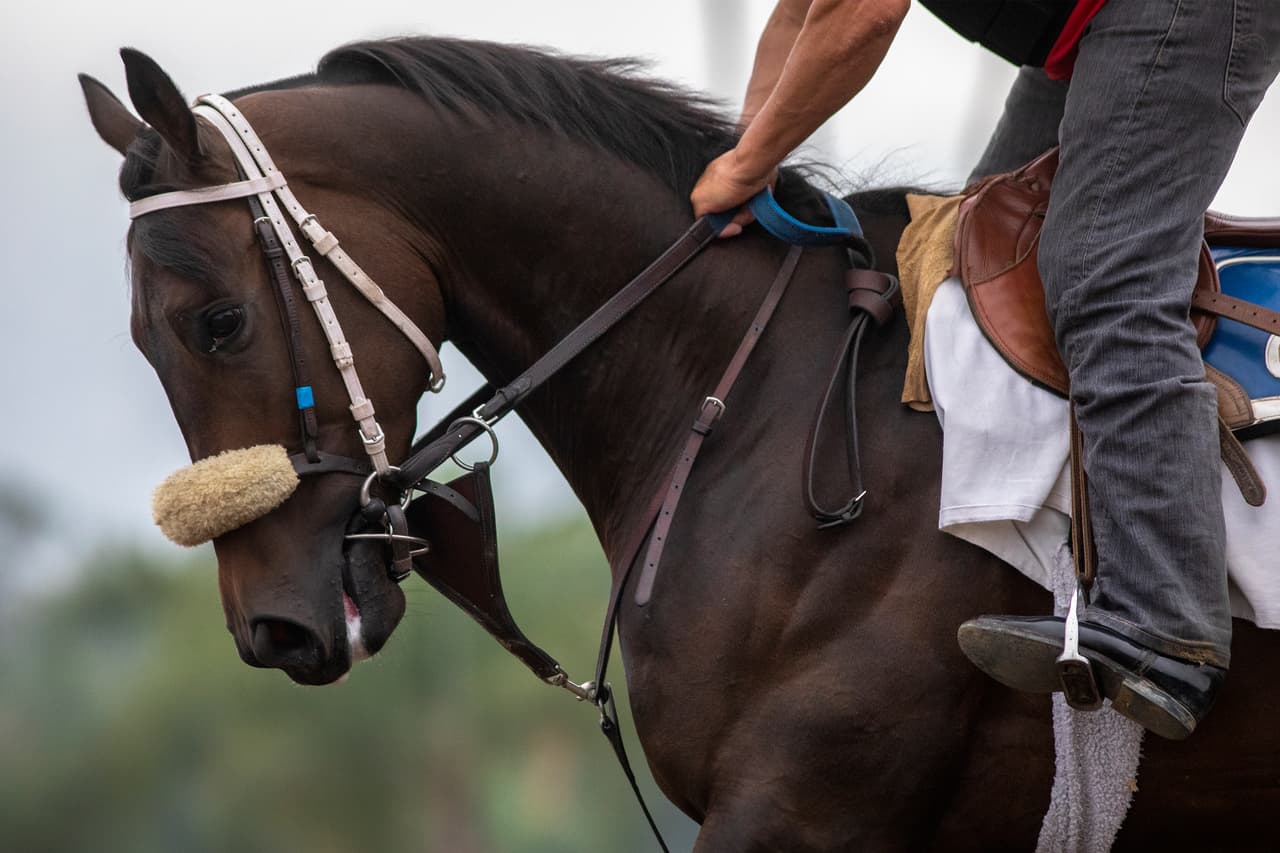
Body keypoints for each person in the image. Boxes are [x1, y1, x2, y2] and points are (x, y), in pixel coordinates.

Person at [691, 0, 1280, 739]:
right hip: (1102, 24)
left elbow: (862, 13)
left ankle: (1166, 624)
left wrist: (745, 165)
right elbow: (803, 12)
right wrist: (750, 154)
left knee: (1105, 273)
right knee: (974, 269)